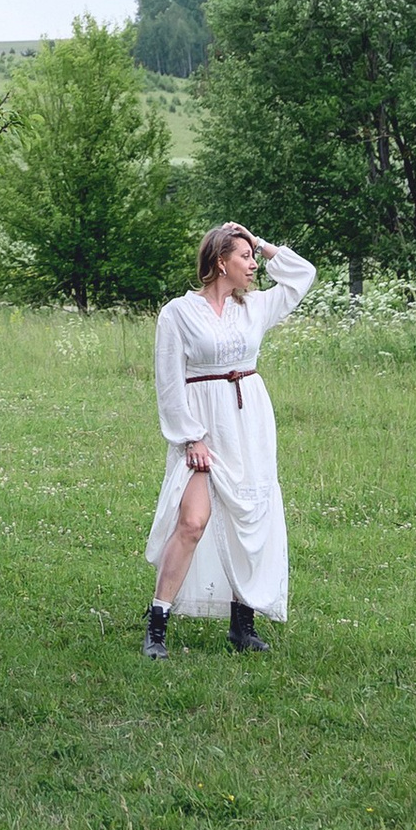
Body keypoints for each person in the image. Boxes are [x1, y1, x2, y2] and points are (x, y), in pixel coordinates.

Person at [143, 220, 314, 657]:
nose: (253, 264)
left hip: (249, 423)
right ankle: (157, 624)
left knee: (250, 516)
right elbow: (169, 382)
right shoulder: (178, 313)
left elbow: (302, 275)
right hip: (202, 426)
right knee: (193, 521)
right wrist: (191, 438)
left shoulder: (254, 306)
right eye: (245, 257)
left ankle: (242, 625)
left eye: (253, 256)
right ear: (221, 263)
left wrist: (260, 241)